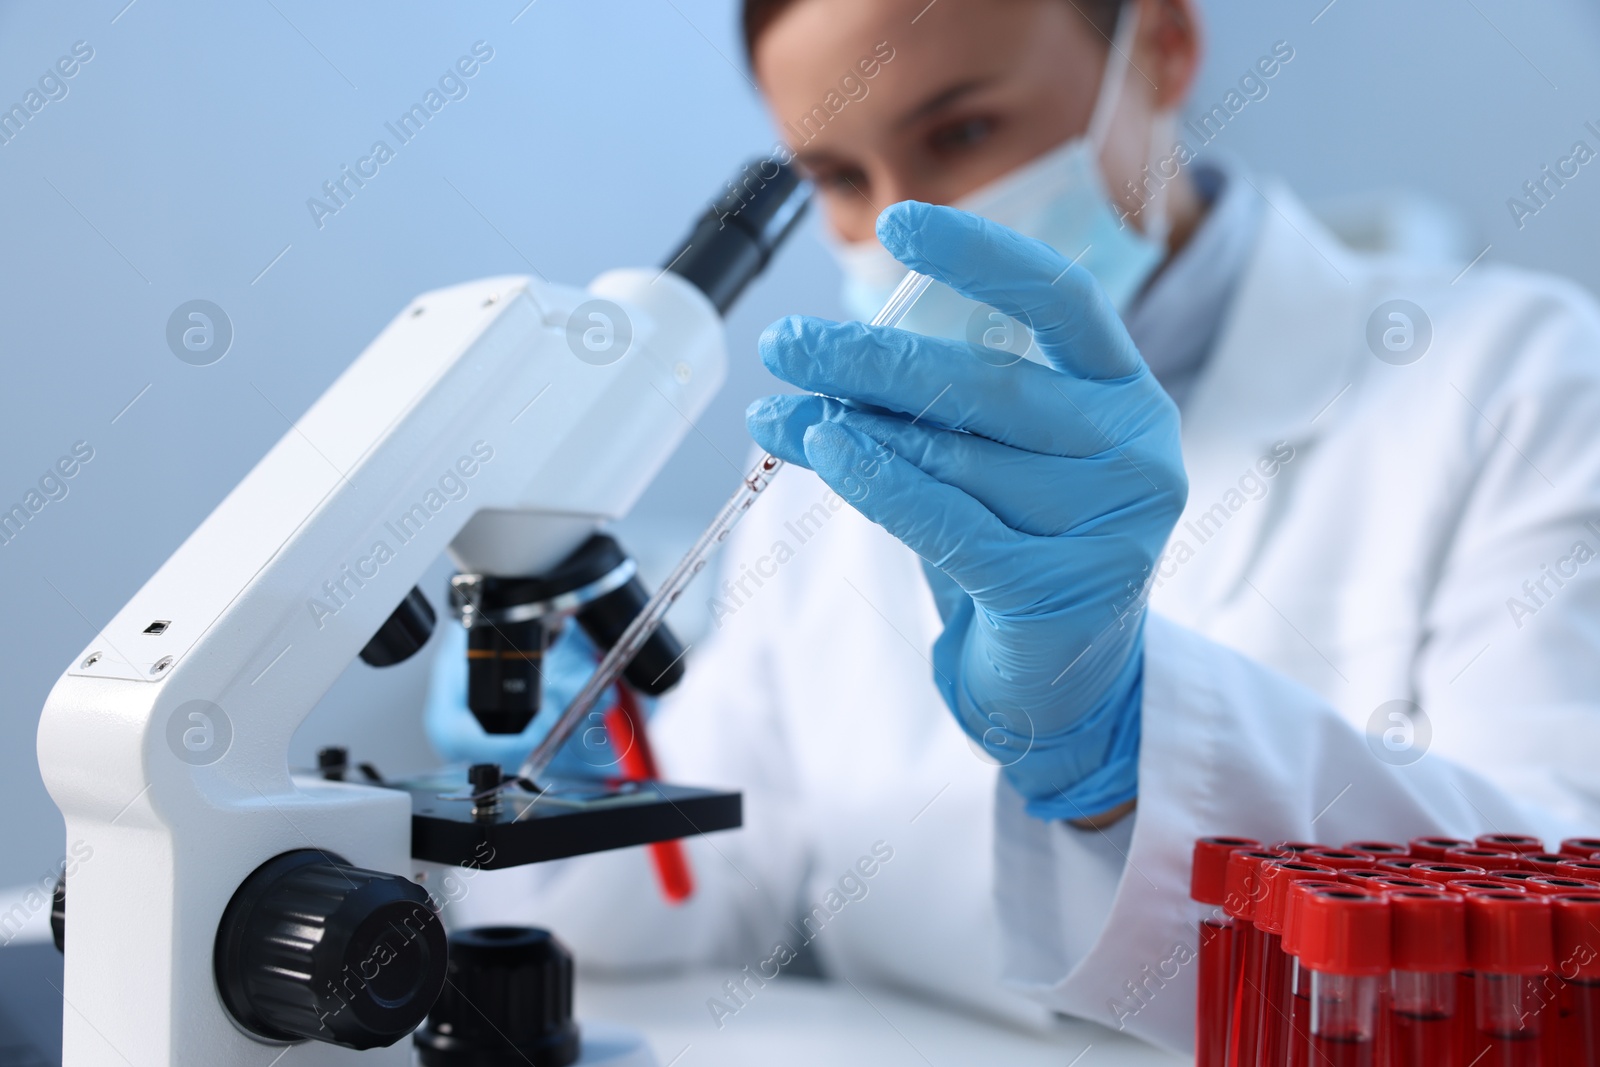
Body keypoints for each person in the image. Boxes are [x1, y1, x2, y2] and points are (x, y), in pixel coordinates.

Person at [426, 0, 1600, 1052]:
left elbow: (1562, 946)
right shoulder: (841, 455)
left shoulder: (1521, 381)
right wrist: (557, 788)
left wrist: (1119, 750)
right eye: (838, 174)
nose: (900, 227)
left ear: (1166, 48)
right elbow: (702, 893)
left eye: (962, 133)